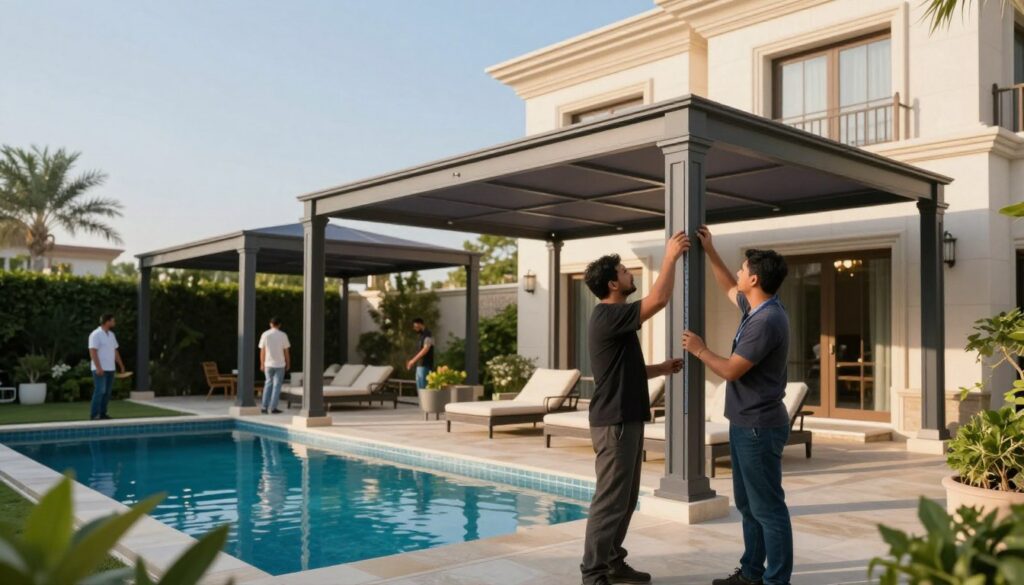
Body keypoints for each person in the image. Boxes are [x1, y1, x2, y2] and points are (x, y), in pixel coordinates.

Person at [680, 227, 792, 585]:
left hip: (759, 426)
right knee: (748, 506)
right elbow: (729, 285)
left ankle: (776, 580)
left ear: (755, 279)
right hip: (746, 423)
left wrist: (699, 349)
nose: (739, 273)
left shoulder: (767, 321)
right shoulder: (758, 308)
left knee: (768, 509)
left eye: (743, 269)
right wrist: (710, 251)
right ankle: (752, 573)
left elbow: (730, 370)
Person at [580, 231, 689, 585]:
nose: (631, 274)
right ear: (613, 284)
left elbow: (623, 368)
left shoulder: (614, 319)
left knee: (624, 500)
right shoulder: (608, 315)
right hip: (615, 422)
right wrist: (670, 257)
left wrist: (661, 369)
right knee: (610, 500)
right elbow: (659, 300)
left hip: (625, 419)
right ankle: (593, 574)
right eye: (625, 271)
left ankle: (612, 562)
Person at [88, 313, 125, 420]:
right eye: (113, 320)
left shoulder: (112, 335)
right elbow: (93, 351)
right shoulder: (95, 334)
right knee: (100, 390)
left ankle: (103, 413)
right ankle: (94, 414)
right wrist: (98, 367)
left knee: (107, 393)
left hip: (110, 368)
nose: (114, 322)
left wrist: (121, 365)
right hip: (100, 368)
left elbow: (115, 351)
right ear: (107, 321)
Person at [259, 317, 291, 414]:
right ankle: (273, 408)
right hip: (280, 365)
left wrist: (262, 363)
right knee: (277, 386)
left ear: (270, 324)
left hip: (268, 364)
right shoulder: (283, 335)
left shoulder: (265, 334)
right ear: (279, 325)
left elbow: (262, 351)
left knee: (268, 384)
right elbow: (286, 351)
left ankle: (264, 407)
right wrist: (288, 363)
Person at [406, 318, 434, 390]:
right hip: (420, 365)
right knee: (420, 388)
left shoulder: (427, 335)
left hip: (425, 365)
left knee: (423, 389)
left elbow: (426, 349)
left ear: (419, 324)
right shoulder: (421, 335)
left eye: (415, 326)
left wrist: (413, 361)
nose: (414, 328)